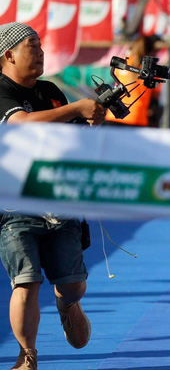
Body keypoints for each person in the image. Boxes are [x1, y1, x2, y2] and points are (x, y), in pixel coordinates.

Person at [0, 22, 106, 370]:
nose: (41, 50)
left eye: (42, 44)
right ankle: (26, 356)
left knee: (73, 284)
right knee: (26, 281)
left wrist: (91, 120)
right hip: (14, 205)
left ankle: (67, 304)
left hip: (61, 202)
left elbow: (70, 137)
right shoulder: (1, 90)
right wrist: (76, 109)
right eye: (33, 44)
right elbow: (22, 124)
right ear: (9, 54)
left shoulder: (51, 91)